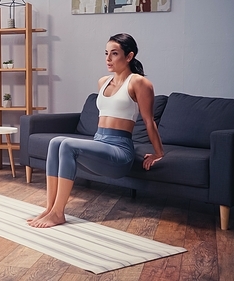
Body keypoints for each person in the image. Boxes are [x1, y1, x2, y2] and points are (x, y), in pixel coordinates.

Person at [28, 33, 164, 228]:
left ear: (129, 56)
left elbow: (149, 122)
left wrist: (159, 153)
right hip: (99, 143)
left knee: (66, 144)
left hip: (119, 151)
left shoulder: (139, 83)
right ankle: (50, 208)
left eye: (114, 53)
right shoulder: (103, 82)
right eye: (106, 53)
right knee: (56, 141)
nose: (108, 59)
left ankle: (58, 213)